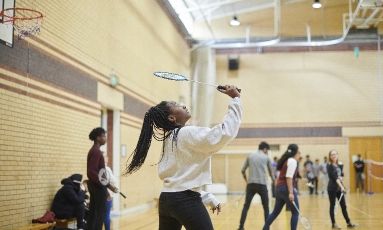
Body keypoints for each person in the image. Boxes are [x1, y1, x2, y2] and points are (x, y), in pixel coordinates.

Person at [125, 85, 241, 230]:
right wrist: (235, 100)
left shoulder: (170, 139)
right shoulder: (186, 133)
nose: (183, 105)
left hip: (167, 200)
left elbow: (179, 181)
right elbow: (225, 133)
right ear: (172, 118)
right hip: (185, 200)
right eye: (176, 105)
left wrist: (206, 197)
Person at [263, 144, 301, 230]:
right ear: (295, 152)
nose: (299, 154)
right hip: (286, 189)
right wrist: (291, 192)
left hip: (279, 189)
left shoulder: (287, 160)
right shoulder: (292, 161)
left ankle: (264, 228)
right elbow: (289, 177)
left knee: (275, 212)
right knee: (295, 213)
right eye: (298, 152)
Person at [238, 142, 274, 230]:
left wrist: (247, 180)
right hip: (262, 185)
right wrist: (274, 182)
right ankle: (266, 228)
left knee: (246, 206)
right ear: (265, 149)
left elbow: (242, 170)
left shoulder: (250, 156)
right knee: (266, 208)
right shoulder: (266, 158)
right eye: (267, 150)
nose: (267, 152)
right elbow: (271, 174)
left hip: (251, 184)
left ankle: (241, 227)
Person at [87, 127, 113, 230]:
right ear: (98, 138)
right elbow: (92, 172)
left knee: (93, 214)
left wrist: (108, 186)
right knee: (99, 215)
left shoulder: (94, 150)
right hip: (97, 187)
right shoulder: (96, 152)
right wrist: (105, 185)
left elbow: (99, 173)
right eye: (104, 136)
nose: (105, 138)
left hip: (96, 186)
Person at [327, 150, 357, 229]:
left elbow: (341, 175)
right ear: (330, 156)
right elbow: (335, 178)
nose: (333, 156)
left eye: (335, 154)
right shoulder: (329, 166)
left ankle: (348, 222)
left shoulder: (338, 165)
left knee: (343, 206)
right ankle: (333, 224)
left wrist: (341, 177)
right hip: (332, 189)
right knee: (332, 206)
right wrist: (342, 187)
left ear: (337, 155)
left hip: (339, 189)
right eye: (332, 154)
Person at [103, 152, 119, 230]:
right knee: (106, 216)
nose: (107, 157)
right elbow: (104, 183)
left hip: (110, 194)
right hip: (106, 196)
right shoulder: (102, 169)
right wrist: (107, 194)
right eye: (105, 156)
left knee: (107, 215)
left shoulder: (108, 168)